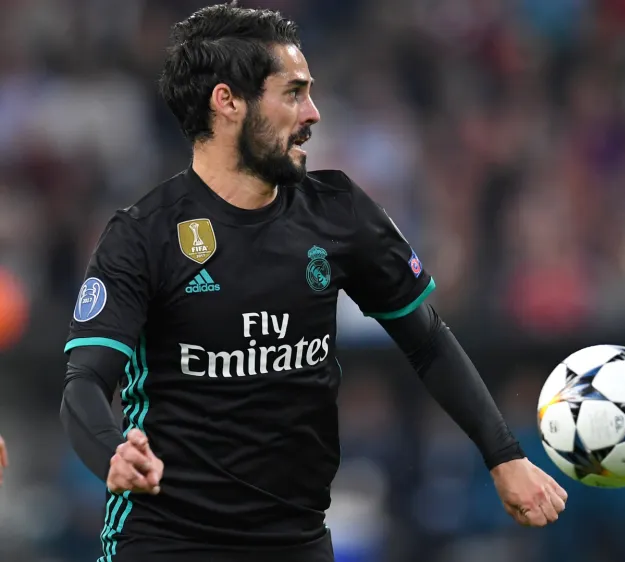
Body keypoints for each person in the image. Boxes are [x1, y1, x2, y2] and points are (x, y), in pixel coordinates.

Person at [58, 4, 567, 562]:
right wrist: (113, 454)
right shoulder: (143, 236)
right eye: (294, 93)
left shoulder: (340, 212)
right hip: (166, 541)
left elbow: (428, 340)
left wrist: (504, 454)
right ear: (227, 102)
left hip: (297, 542)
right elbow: (84, 383)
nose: (314, 113)